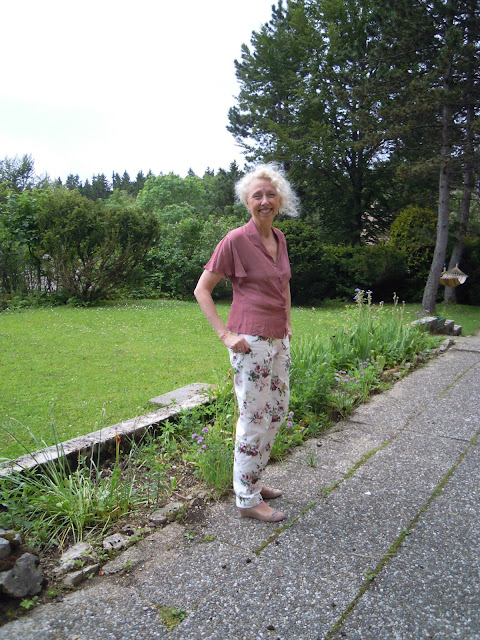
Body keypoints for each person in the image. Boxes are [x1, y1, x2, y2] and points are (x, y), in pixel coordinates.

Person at [194, 163, 299, 522]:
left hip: (278, 339)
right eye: (257, 195)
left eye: (270, 194)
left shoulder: (280, 238)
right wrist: (224, 334)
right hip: (249, 342)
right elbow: (202, 290)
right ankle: (247, 499)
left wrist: (287, 321)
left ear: (280, 200)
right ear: (247, 202)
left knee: (277, 412)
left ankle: (252, 479)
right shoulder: (236, 240)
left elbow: (284, 284)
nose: (265, 201)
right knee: (254, 418)